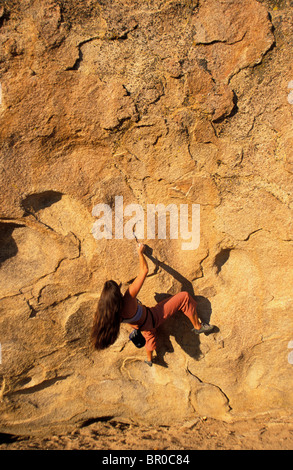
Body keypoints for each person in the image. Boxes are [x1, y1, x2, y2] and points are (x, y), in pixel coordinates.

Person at [91, 242, 214, 366]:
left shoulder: (107, 313)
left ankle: (149, 360)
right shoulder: (128, 298)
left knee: (149, 337)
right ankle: (198, 327)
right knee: (185, 297)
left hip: (139, 326)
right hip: (153, 317)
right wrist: (140, 252)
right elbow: (144, 270)